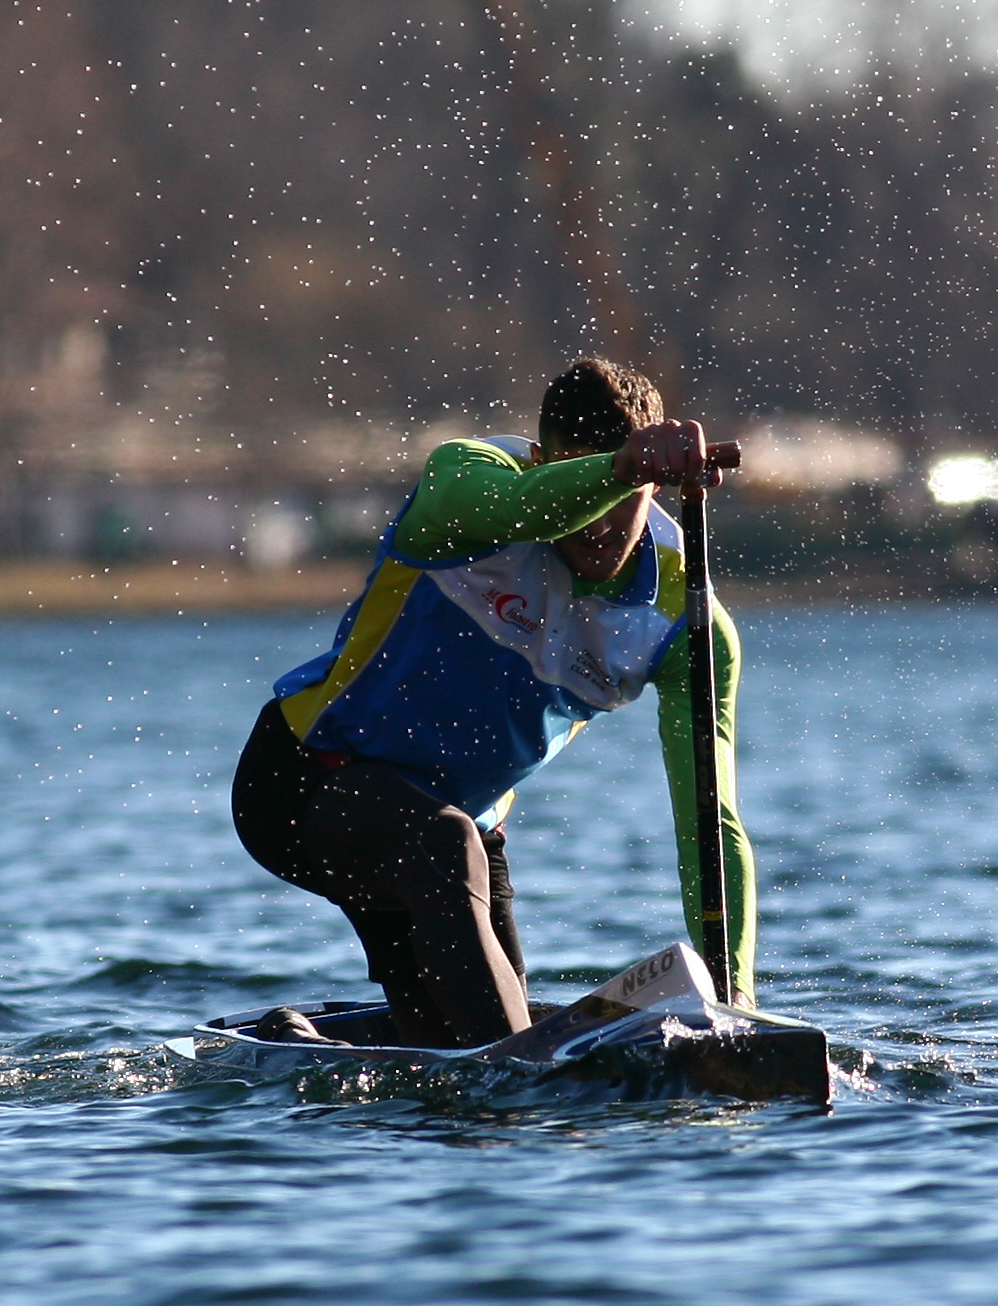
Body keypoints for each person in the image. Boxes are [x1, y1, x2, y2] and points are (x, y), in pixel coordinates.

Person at [231, 357, 755, 1047]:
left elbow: (708, 823)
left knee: (459, 1038)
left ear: (657, 487)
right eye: (590, 492)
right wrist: (617, 474)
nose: (597, 530)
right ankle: (523, 1083)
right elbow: (518, 507)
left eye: (623, 501)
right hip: (303, 782)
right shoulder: (468, 484)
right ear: (542, 461)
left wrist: (736, 1003)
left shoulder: (685, 619)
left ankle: (316, 1042)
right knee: (453, 870)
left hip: (461, 831)